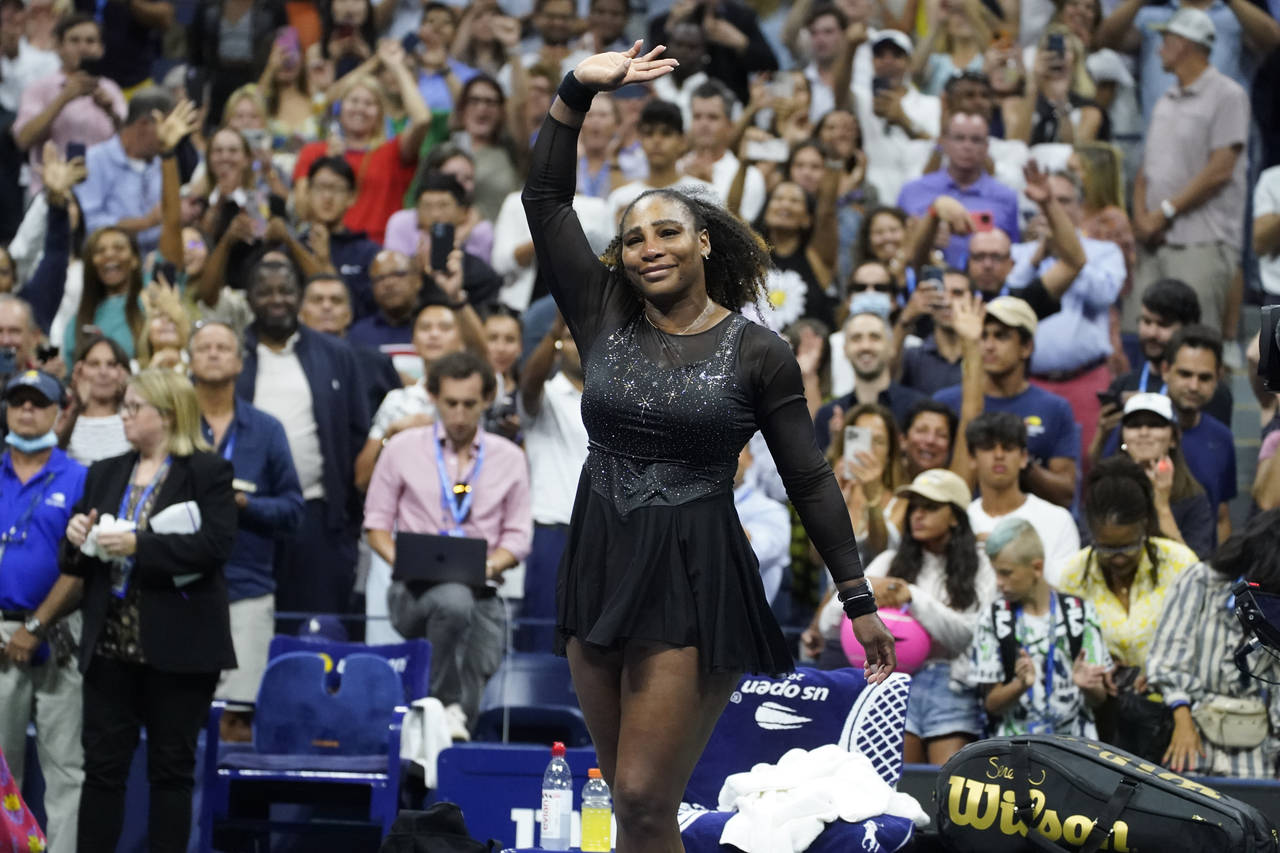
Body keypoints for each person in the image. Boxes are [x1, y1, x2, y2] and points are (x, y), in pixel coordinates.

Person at [522, 43, 894, 848]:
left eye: (668, 231)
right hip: (599, 557)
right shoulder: (602, 312)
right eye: (634, 237)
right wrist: (574, 91)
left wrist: (856, 595)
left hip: (692, 570)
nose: (649, 245)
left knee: (647, 795)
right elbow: (545, 196)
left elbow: (809, 476)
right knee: (630, 807)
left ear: (703, 245)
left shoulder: (758, 352)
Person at [60, 369, 237, 853]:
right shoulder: (106, 470)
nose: (124, 415)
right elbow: (73, 560)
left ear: (167, 414)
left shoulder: (206, 471)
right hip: (111, 645)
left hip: (179, 644)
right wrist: (76, 537)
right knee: (102, 771)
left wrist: (140, 544)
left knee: (171, 772)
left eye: (134, 407)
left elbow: (215, 546)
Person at [365, 351, 531, 739]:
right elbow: (375, 525)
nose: (458, 415)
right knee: (454, 599)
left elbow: (519, 537)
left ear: (487, 400)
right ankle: (447, 707)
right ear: (434, 398)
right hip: (412, 589)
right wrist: (404, 562)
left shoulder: (509, 458)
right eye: (450, 403)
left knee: (479, 645)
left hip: (484, 589)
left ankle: (442, 737)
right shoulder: (403, 448)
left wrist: (485, 567)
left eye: (469, 404)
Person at [816, 467, 994, 763]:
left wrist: (912, 596)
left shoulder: (981, 567)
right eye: (914, 507)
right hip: (893, 682)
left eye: (931, 507)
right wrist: (870, 591)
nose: (918, 515)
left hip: (951, 683)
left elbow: (971, 635)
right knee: (901, 786)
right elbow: (827, 625)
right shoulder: (889, 562)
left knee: (943, 790)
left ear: (955, 516)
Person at [237, 251, 369, 619]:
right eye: (265, 291)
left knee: (316, 632)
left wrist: (347, 520)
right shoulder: (233, 355)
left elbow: (358, 434)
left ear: (299, 297)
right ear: (249, 298)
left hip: (317, 517)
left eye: (286, 290)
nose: (277, 299)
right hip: (245, 520)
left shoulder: (336, 354)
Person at [189, 321, 304, 741]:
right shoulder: (172, 426)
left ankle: (223, 809)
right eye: (205, 347)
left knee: (236, 718)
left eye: (224, 347)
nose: (215, 354)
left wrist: (244, 504)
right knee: (175, 716)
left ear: (240, 362)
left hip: (246, 589)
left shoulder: (266, 429)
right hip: (177, 589)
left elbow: (294, 510)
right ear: (190, 360)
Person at [1124, 8, 1250, 343]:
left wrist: (1164, 213)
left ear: (1184, 44)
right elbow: (1145, 169)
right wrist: (1141, 219)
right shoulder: (1165, 99)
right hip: (1152, 242)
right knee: (1138, 339)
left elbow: (1220, 169)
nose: (1158, 48)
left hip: (1201, 243)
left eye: (1165, 40)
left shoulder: (1228, 95)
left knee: (1194, 343)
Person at [0, 370, 87, 853]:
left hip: (59, 634)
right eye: (18, 401)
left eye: (38, 402)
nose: (26, 410)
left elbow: (83, 567)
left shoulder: (80, 477)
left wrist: (36, 625)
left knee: (65, 766)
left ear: (61, 411)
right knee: (0, 769)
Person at [1147, 510, 1280, 777]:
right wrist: (1181, 716)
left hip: (1259, 759)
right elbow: (1166, 662)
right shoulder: (1199, 581)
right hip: (1193, 737)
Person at [1011, 167, 1122, 455]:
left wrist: (1067, 253)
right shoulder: (1020, 254)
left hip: (1086, 380)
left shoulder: (1105, 251)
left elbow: (1103, 294)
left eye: (1064, 200)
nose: (1055, 207)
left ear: (1080, 207)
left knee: (1088, 465)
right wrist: (1038, 257)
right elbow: (1009, 302)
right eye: (1049, 201)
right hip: (1027, 381)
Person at [969, 518, 1110, 737]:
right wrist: (1019, 685)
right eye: (995, 572)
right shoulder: (994, 617)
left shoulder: (1080, 612)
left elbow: (1099, 699)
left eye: (1006, 573)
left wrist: (1088, 686)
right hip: (1015, 753)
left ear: (1037, 567)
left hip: (1076, 749)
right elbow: (991, 704)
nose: (998, 582)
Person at [1057, 456, 1198, 675]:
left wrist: (1158, 673)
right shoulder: (1073, 577)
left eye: (1128, 546)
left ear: (1144, 526)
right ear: (1092, 534)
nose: (1119, 558)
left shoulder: (1180, 566)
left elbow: (1202, 641)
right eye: (1106, 549)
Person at [936, 296, 1080, 509]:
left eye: (1001, 336)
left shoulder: (1055, 408)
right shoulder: (946, 402)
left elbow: (1066, 493)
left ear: (1026, 347)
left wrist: (1019, 458)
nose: (989, 346)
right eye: (983, 336)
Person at [1098, 325, 1235, 547]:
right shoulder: (1129, 433)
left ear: (1218, 377)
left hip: (1195, 563)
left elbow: (1221, 516)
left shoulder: (1222, 438)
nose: (1193, 386)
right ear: (1165, 370)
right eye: (1185, 374)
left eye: (1204, 377)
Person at [517, 313, 588, 652]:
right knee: (543, 634)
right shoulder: (545, 397)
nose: (577, 345)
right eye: (570, 339)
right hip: (553, 532)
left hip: (610, 533)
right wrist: (554, 331)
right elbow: (529, 383)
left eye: (582, 337)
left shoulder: (616, 399)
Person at [12, 15, 124, 196]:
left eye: (90, 41)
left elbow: (130, 144)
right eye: (74, 40)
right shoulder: (39, 88)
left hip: (102, 194)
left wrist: (110, 111)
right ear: (58, 46)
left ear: (101, 49)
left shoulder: (111, 89)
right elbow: (23, 139)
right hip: (52, 193)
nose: (83, 47)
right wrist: (63, 99)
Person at [965, 412, 1079, 587]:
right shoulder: (961, 522)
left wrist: (1016, 555)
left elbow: (1066, 590)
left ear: (1024, 458)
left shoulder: (1057, 519)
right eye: (988, 447)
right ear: (972, 458)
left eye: (1008, 448)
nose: (999, 455)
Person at [1102, 277, 1233, 427]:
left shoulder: (1209, 390)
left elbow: (1207, 444)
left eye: (1163, 325)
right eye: (1146, 321)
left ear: (1188, 328)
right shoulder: (1122, 386)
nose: (1152, 333)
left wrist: (1146, 405)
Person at [896, 111, 1019, 270]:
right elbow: (898, 246)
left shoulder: (1006, 197)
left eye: (976, 140)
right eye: (959, 138)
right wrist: (926, 234)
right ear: (944, 143)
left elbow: (1012, 253)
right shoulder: (912, 191)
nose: (967, 146)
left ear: (987, 147)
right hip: (921, 279)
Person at [1108, 393, 1214, 558]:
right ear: (1123, 436)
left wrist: (1162, 506)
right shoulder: (1104, 489)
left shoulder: (1194, 498)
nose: (1144, 432)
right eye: (1134, 425)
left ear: (1174, 438)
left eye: (1155, 425)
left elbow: (1194, 570)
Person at [814, 294, 925, 449]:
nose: (865, 346)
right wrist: (836, 447)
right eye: (856, 338)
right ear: (845, 349)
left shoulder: (918, 410)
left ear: (891, 347)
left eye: (875, 337)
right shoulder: (828, 416)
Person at [74, 87, 174, 254]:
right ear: (144, 124)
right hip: (106, 264)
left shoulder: (162, 162)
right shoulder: (95, 160)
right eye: (168, 128)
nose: (173, 135)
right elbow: (87, 223)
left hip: (154, 263)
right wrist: (144, 223)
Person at [605, 98, 720, 223]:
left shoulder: (705, 195)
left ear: (682, 141)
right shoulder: (620, 199)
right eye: (649, 133)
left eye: (666, 133)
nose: (657, 141)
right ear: (640, 140)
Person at [299, 155, 382, 321]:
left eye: (336, 189)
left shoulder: (369, 253)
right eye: (321, 188)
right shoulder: (293, 248)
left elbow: (368, 313)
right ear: (307, 192)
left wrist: (324, 262)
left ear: (351, 197)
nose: (327, 197)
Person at [684, 80, 766, 222]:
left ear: (730, 125)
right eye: (697, 117)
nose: (704, 124)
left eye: (713, 117)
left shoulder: (750, 177)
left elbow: (742, 232)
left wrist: (705, 187)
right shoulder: (676, 167)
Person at [58, 335, 131, 465]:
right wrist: (78, 404)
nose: (103, 372)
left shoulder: (133, 418)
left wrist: (130, 392)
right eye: (93, 364)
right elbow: (53, 454)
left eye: (111, 364)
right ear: (78, 370)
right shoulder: (63, 416)